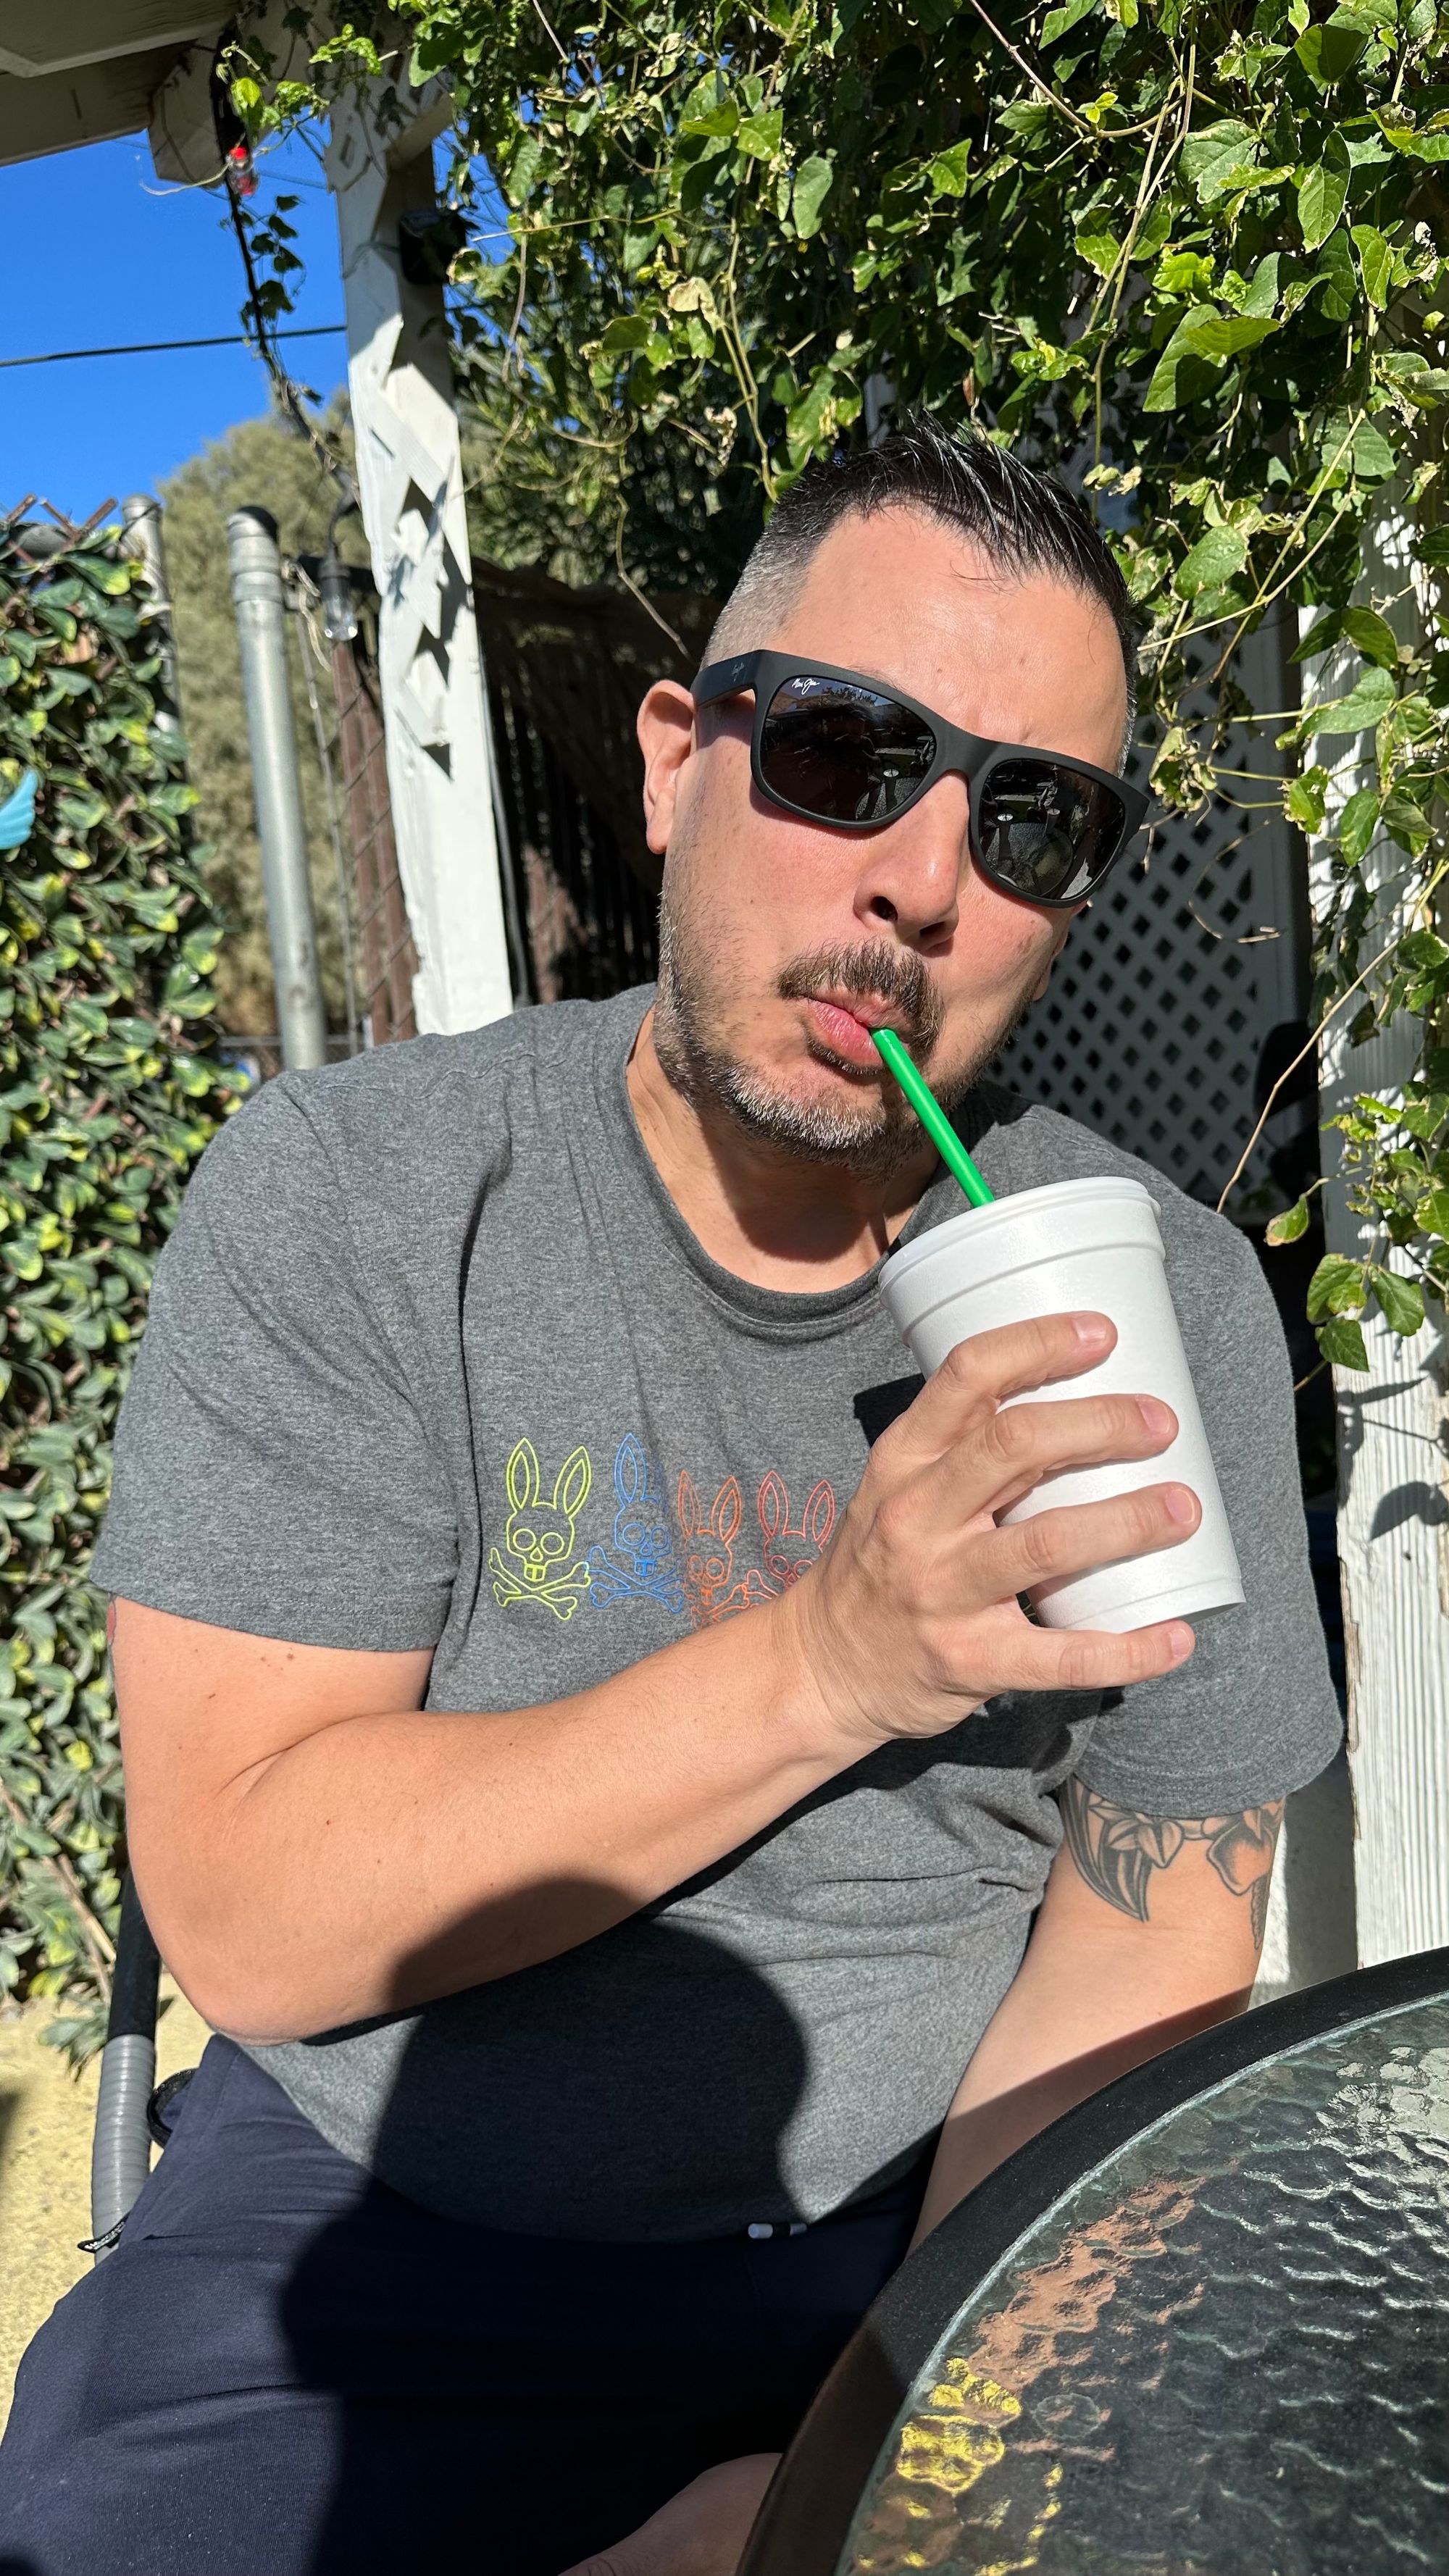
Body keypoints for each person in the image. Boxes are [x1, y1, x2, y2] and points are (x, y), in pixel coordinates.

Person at [0, 419, 1339, 2576]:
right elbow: (249, 1904)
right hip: (372, 2229)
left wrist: (879, 2448)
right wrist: (834, 1663)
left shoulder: (1155, 1297)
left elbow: (1160, 1911)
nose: (924, 881)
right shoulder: (361, 1199)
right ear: (672, 762)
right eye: (843, 754)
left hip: (925, 2232)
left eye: (1031, 820)